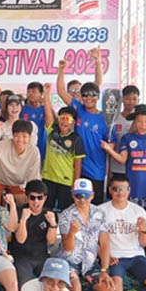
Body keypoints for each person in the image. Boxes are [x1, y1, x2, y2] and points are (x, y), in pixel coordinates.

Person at [54, 179, 104, 291]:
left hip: (90, 263)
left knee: (109, 289)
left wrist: (105, 269)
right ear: (72, 195)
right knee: (76, 289)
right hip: (70, 261)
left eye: (86, 195)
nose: (82, 199)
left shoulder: (99, 213)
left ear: (92, 196)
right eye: (78, 195)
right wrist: (72, 233)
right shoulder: (66, 215)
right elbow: (68, 248)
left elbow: (104, 242)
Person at [56, 51, 107, 201]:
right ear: (81, 97)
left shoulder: (105, 118)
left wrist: (98, 61)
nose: (89, 98)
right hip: (77, 167)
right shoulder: (79, 109)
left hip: (97, 170)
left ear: (98, 96)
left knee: (94, 206)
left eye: (92, 94)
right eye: (85, 95)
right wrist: (61, 70)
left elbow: (97, 83)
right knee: (76, 204)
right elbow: (61, 91)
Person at [40, 83, 84, 211]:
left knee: (66, 212)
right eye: (62, 118)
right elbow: (48, 112)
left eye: (68, 120)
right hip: (48, 179)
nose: (64, 121)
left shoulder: (76, 139)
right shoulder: (52, 131)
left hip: (66, 182)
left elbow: (78, 164)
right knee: (46, 210)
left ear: (73, 123)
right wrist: (46, 94)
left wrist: (75, 183)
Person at [10, 180, 57, 287]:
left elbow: (51, 241)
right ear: (26, 198)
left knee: (50, 283)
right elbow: (20, 240)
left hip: (41, 257)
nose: (36, 201)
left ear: (45, 198)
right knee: (24, 284)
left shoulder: (49, 214)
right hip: (22, 257)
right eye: (32, 198)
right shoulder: (19, 212)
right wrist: (23, 220)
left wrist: (53, 224)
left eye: (40, 198)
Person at [0, 119, 42, 205]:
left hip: (18, 183)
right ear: (12, 135)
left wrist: (28, 191)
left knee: (28, 203)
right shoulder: (4, 145)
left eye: (24, 136)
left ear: (29, 137)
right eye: (17, 136)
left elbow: (33, 177)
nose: (20, 139)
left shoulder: (34, 152)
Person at [106, 85, 140, 176]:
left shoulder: (142, 121)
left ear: (138, 100)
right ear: (122, 100)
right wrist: (109, 169)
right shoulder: (114, 119)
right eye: (127, 98)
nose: (131, 102)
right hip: (116, 167)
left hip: (135, 168)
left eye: (134, 99)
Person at [21, 82, 48, 160]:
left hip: (42, 147)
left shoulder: (45, 109)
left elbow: (55, 120)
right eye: (28, 92)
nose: (30, 94)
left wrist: (46, 102)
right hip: (25, 149)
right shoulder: (22, 109)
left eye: (34, 92)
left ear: (41, 94)